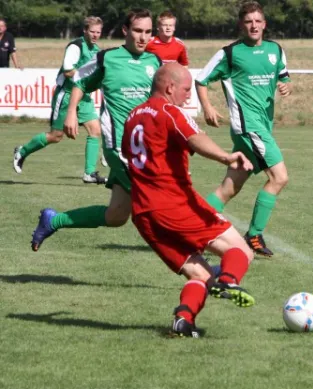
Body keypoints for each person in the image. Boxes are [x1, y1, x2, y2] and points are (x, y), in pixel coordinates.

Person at [123, 63, 256, 337]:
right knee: (242, 252)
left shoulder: (133, 116)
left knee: (201, 276)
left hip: (143, 214)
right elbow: (196, 138)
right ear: (169, 87)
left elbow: (132, 157)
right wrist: (227, 157)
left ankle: (183, 321)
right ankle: (228, 282)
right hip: (172, 204)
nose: (188, 95)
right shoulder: (169, 111)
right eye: (185, 89)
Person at [30, 9, 161, 251]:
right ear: (125, 31)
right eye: (137, 31)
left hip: (144, 148)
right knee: (159, 194)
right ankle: (191, 250)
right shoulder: (107, 58)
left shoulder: (155, 62)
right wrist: (71, 112)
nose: (143, 37)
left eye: (148, 32)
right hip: (118, 146)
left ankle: (53, 220)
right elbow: (79, 80)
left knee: (116, 216)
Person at [195, 1, 292, 257]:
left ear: (264, 24)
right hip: (248, 127)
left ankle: (190, 228)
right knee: (279, 177)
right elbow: (201, 79)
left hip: (262, 127)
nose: (254, 26)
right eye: (248, 21)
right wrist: (207, 108)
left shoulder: (276, 50)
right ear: (241, 25)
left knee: (229, 188)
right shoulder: (229, 53)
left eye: (258, 21)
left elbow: (283, 75)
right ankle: (254, 234)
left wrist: (285, 86)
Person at [13, 16, 106, 184]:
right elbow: (68, 71)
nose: (95, 35)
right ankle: (22, 151)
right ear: (85, 30)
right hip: (67, 94)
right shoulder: (75, 46)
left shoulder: (96, 50)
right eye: (92, 31)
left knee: (95, 130)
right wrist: (87, 79)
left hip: (83, 96)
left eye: (98, 32)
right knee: (56, 136)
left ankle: (89, 173)